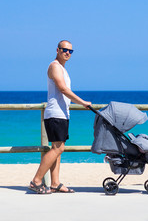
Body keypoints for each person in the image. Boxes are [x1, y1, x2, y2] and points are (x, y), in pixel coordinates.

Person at [29, 40, 91, 194]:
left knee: (57, 148)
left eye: (70, 51)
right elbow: (62, 89)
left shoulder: (62, 68)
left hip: (62, 113)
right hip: (55, 113)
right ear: (57, 50)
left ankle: (55, 183)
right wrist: (83, 102)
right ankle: (36, 180)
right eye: (64, 50)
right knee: (58, 148)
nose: (67, 53)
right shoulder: (55, 66)